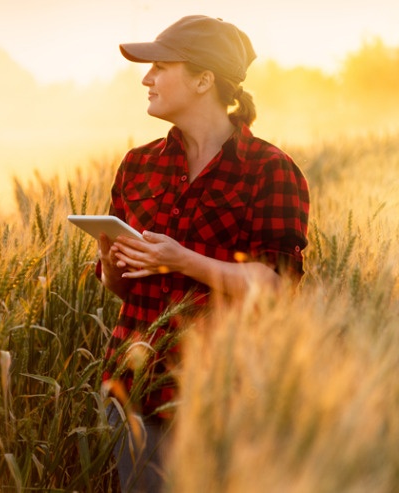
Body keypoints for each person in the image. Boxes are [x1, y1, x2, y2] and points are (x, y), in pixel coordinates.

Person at [96, 15, 310, 493]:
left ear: (203, 80)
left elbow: (277, 287)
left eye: (160, 66)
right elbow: (124, 290)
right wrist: (112, 262)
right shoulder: (138, 165)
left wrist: (182, 259)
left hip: (223, 398)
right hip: (133, 392)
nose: (146, 78)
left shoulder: (270, 170)